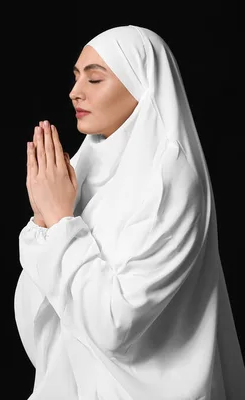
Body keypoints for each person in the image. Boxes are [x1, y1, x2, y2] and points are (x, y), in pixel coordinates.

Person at [15, 25, 245, 399]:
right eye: (76, 78)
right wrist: (44, 220)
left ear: (141, 83)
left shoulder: (171, 182)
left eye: (94, 79)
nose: (76, 92)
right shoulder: (84, 169)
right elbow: (40, 315)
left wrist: (59, 224)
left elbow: (114, 325)